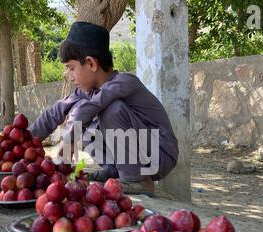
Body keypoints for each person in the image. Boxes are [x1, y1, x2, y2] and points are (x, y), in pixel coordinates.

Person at [29, 22, 178, 196]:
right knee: (82, 112)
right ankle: (114, 169)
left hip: (159, 153)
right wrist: (24, 140)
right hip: (142, 152)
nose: (69, 76)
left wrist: (69, 139)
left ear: (91, 63)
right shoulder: (88, 92)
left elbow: (97, 104)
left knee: (108, 110)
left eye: (71, 68)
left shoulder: (125, 82)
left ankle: (138, 180)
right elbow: (55, 112)